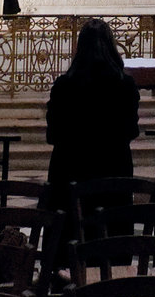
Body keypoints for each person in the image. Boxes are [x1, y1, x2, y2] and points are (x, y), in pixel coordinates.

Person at [45, 18, 140, 193]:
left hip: (69, 173)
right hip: (114, 172)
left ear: (79, 47)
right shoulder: (125, 85)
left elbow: (52, 135)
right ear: (111, 46)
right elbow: (131, 131)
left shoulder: (64, 85)